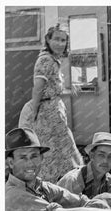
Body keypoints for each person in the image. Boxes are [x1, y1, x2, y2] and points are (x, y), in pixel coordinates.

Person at [18, 23, 83, 183]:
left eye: (63, 40)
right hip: (46, 113)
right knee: (54, 151)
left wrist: (68, 90)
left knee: (61, 150)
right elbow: (38, 88)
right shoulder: (46, 60)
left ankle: (62, 184)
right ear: (48, 39)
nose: (60, 44)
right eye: (57, 39)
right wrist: (34, 113)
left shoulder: (54, 60)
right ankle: (53, 185)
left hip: (54, 110)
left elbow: (51, 89)